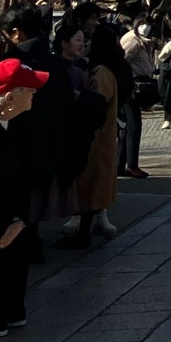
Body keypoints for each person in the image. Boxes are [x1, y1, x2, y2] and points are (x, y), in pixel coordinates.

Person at [0, 57, 50, 338]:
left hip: (11, 222)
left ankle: (7, 315)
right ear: (10, 97)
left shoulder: (17, 121)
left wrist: (19, 220)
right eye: (30, 89)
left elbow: (24, 177)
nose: (35, 93)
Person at [65, 21, 124, 246]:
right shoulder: (107, 70)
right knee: (93, 185)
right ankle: (86, 228)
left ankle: (83, 232)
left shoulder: (101, 73)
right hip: (102, 136)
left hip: (96, 138)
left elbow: (95, 102)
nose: (85, 45)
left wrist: (77, 95)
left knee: (90, 186)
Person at [118, 18, 157, 178]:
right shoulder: (132, 40)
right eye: (142, 23)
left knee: (129, 127)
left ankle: (122, 164)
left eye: (148, 24)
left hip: (135, 84)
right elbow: (122, 61)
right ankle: (131, 165)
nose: (145, 27)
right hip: (131, 86)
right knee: (133, 126)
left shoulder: (142, 41)